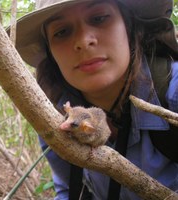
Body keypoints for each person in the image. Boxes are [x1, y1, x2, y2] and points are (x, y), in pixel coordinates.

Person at [11, 0, 178, 199]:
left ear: (129, 25)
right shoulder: (54, 117)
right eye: (62, 31)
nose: (83, 41)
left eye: (99, 18)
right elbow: (70, 190)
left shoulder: (172, 92)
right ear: (51, 52)